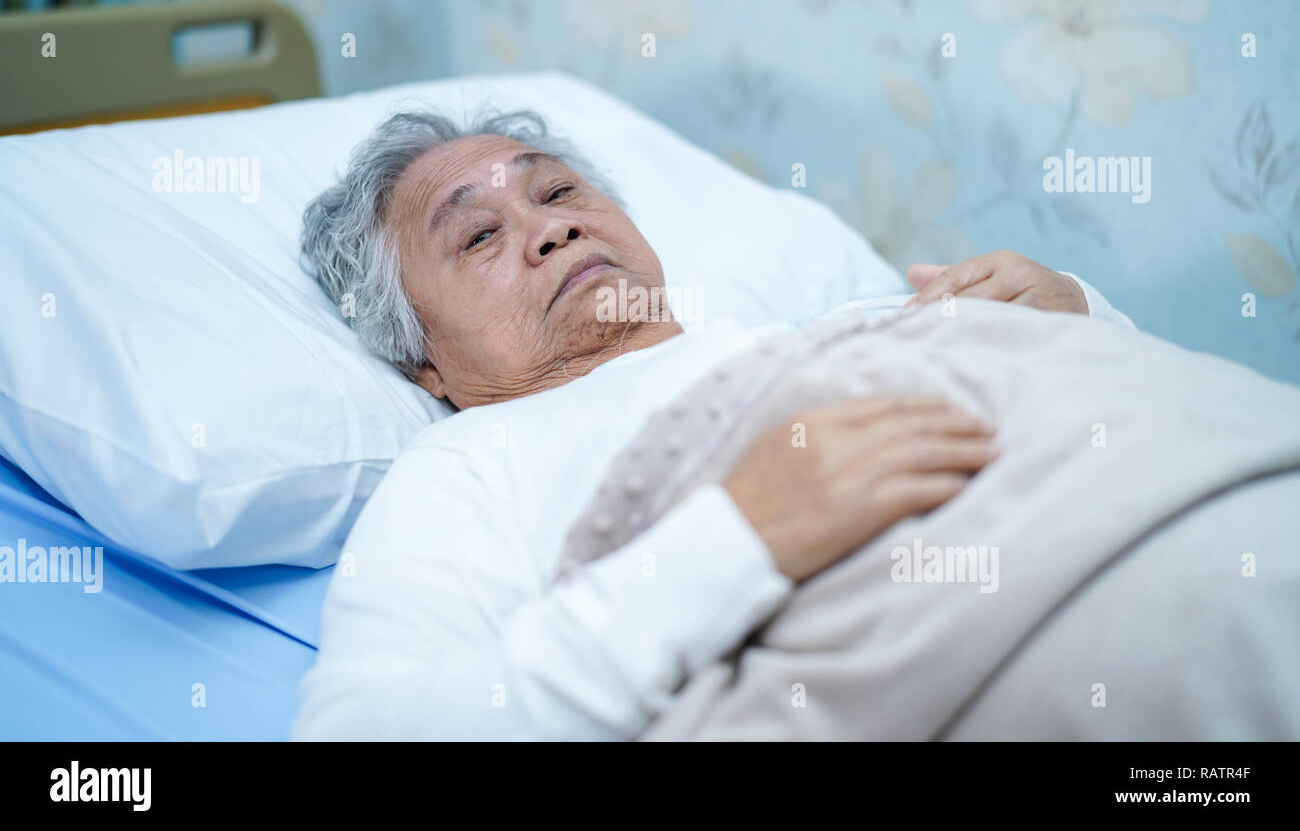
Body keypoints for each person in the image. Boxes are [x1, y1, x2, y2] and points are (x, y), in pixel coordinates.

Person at [291, 108, 1134, 740]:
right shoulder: (467, 467)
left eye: (557, 191)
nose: (550, 226)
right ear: (423, 361)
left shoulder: (830, 329)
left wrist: (1080, 315)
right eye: (478, 236)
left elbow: (1130, 430)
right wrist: (740, 539)